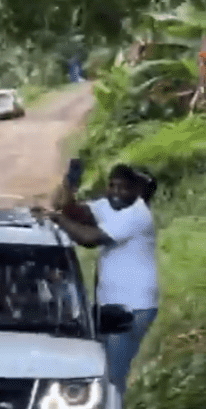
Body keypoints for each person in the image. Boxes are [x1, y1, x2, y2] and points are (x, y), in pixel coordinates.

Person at [37, 164, 159, 395]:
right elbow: (66, 207)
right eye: (112, 186)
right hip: (110, 304)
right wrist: (69, 183)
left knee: (113, 375)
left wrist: (57, 219)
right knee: (103, 372)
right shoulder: (109, 207)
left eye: (123, 188)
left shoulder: (138, 215)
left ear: (137, 191)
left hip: (133, 306)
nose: (115, 192)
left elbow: (89, 237)